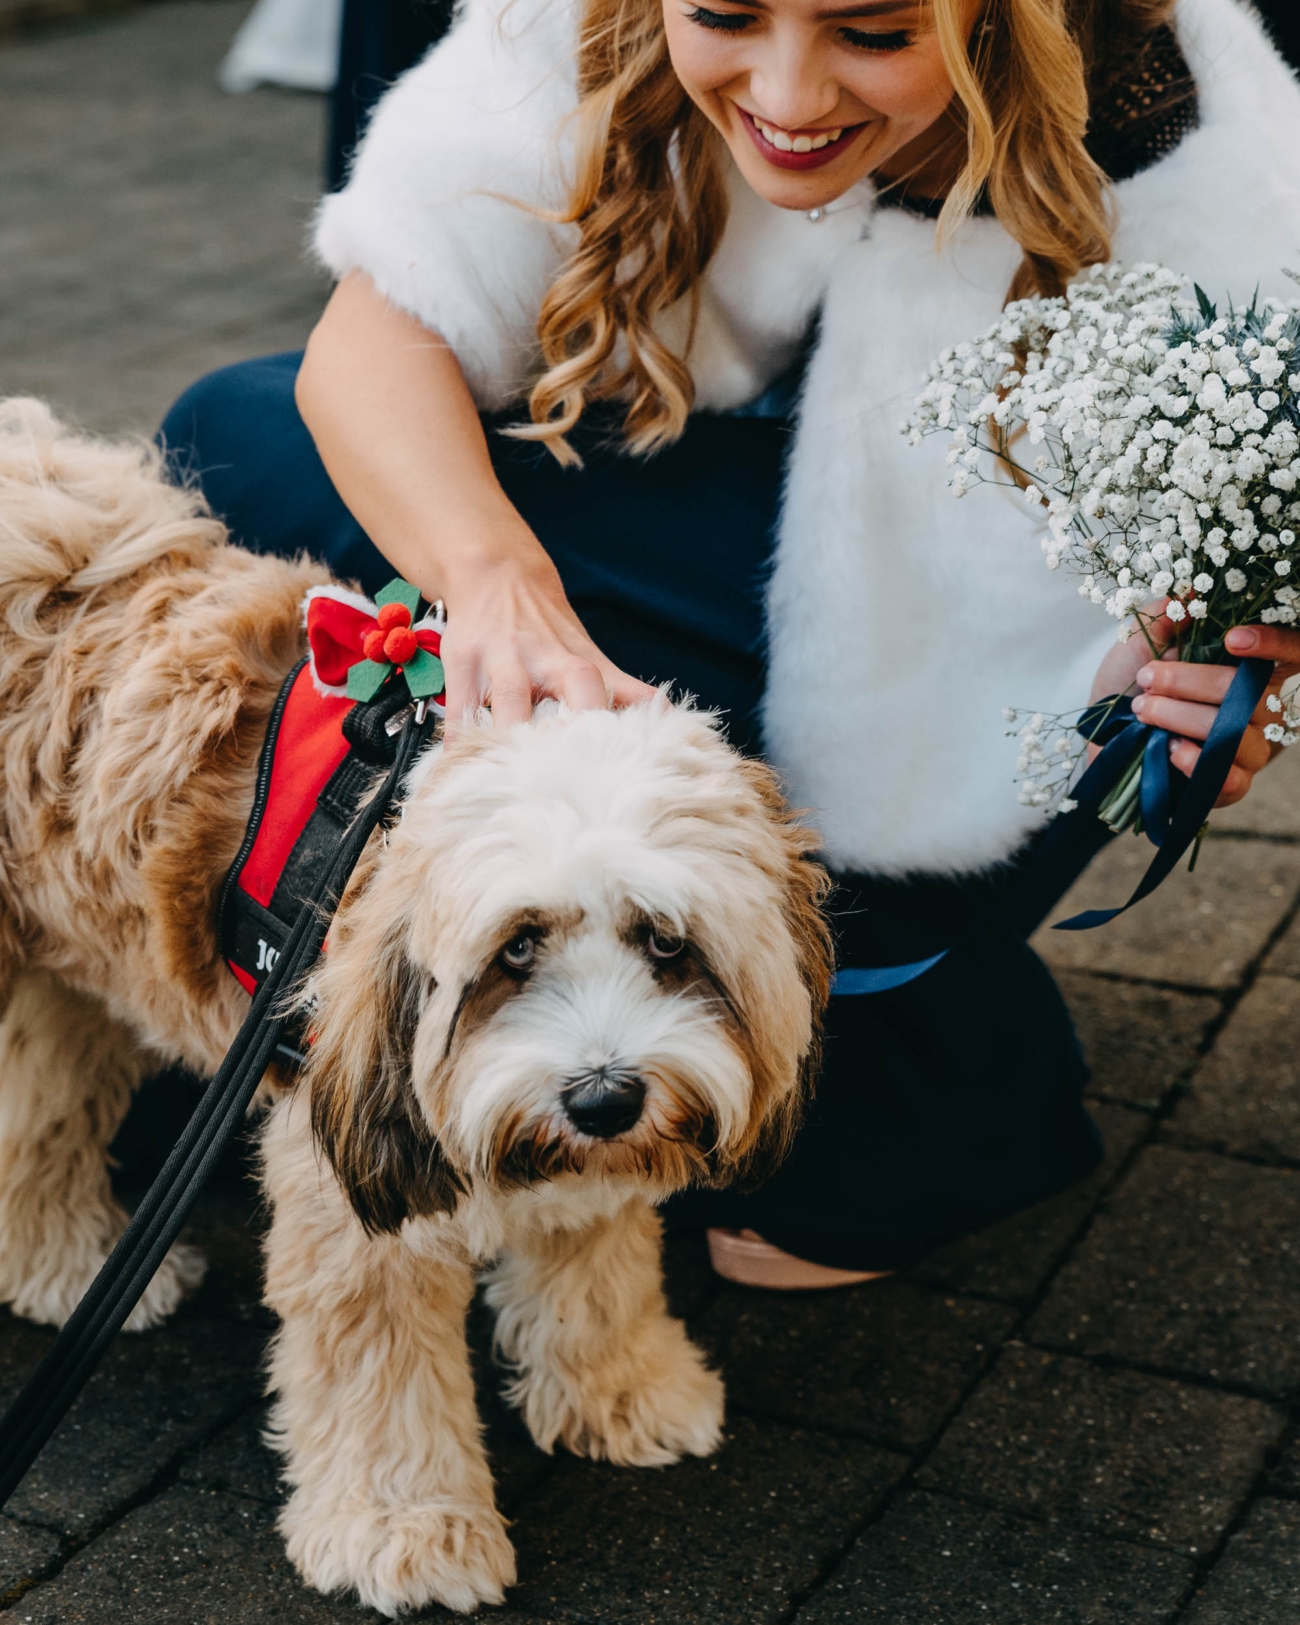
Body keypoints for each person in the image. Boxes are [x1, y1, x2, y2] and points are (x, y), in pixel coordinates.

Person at [162, 0, 1300, 1289]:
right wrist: (492, 580)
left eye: (872, 32)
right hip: (713, 503)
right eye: (722, 13)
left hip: (970, 694)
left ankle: (942, 1053)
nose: (790, 91)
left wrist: (1163, 696)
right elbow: (371, 344)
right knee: (249, 430)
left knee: (822, 1122)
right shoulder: (584, 20)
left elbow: (1157, 610)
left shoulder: (1186, 137)